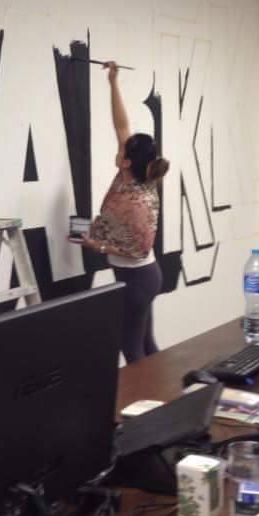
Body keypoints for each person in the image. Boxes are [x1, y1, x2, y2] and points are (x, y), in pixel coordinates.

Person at [72, 61, 169, 363]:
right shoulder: (132, 174)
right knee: (146, 343)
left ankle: (148, 394)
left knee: (132, 348)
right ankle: (163, 390)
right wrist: (113, 82)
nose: (119, 146)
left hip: (139, 278)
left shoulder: (137, 201)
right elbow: (121, 126)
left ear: (126, 162)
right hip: (139, 275)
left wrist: (98, 246)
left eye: (123, 149)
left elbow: (139, 250)